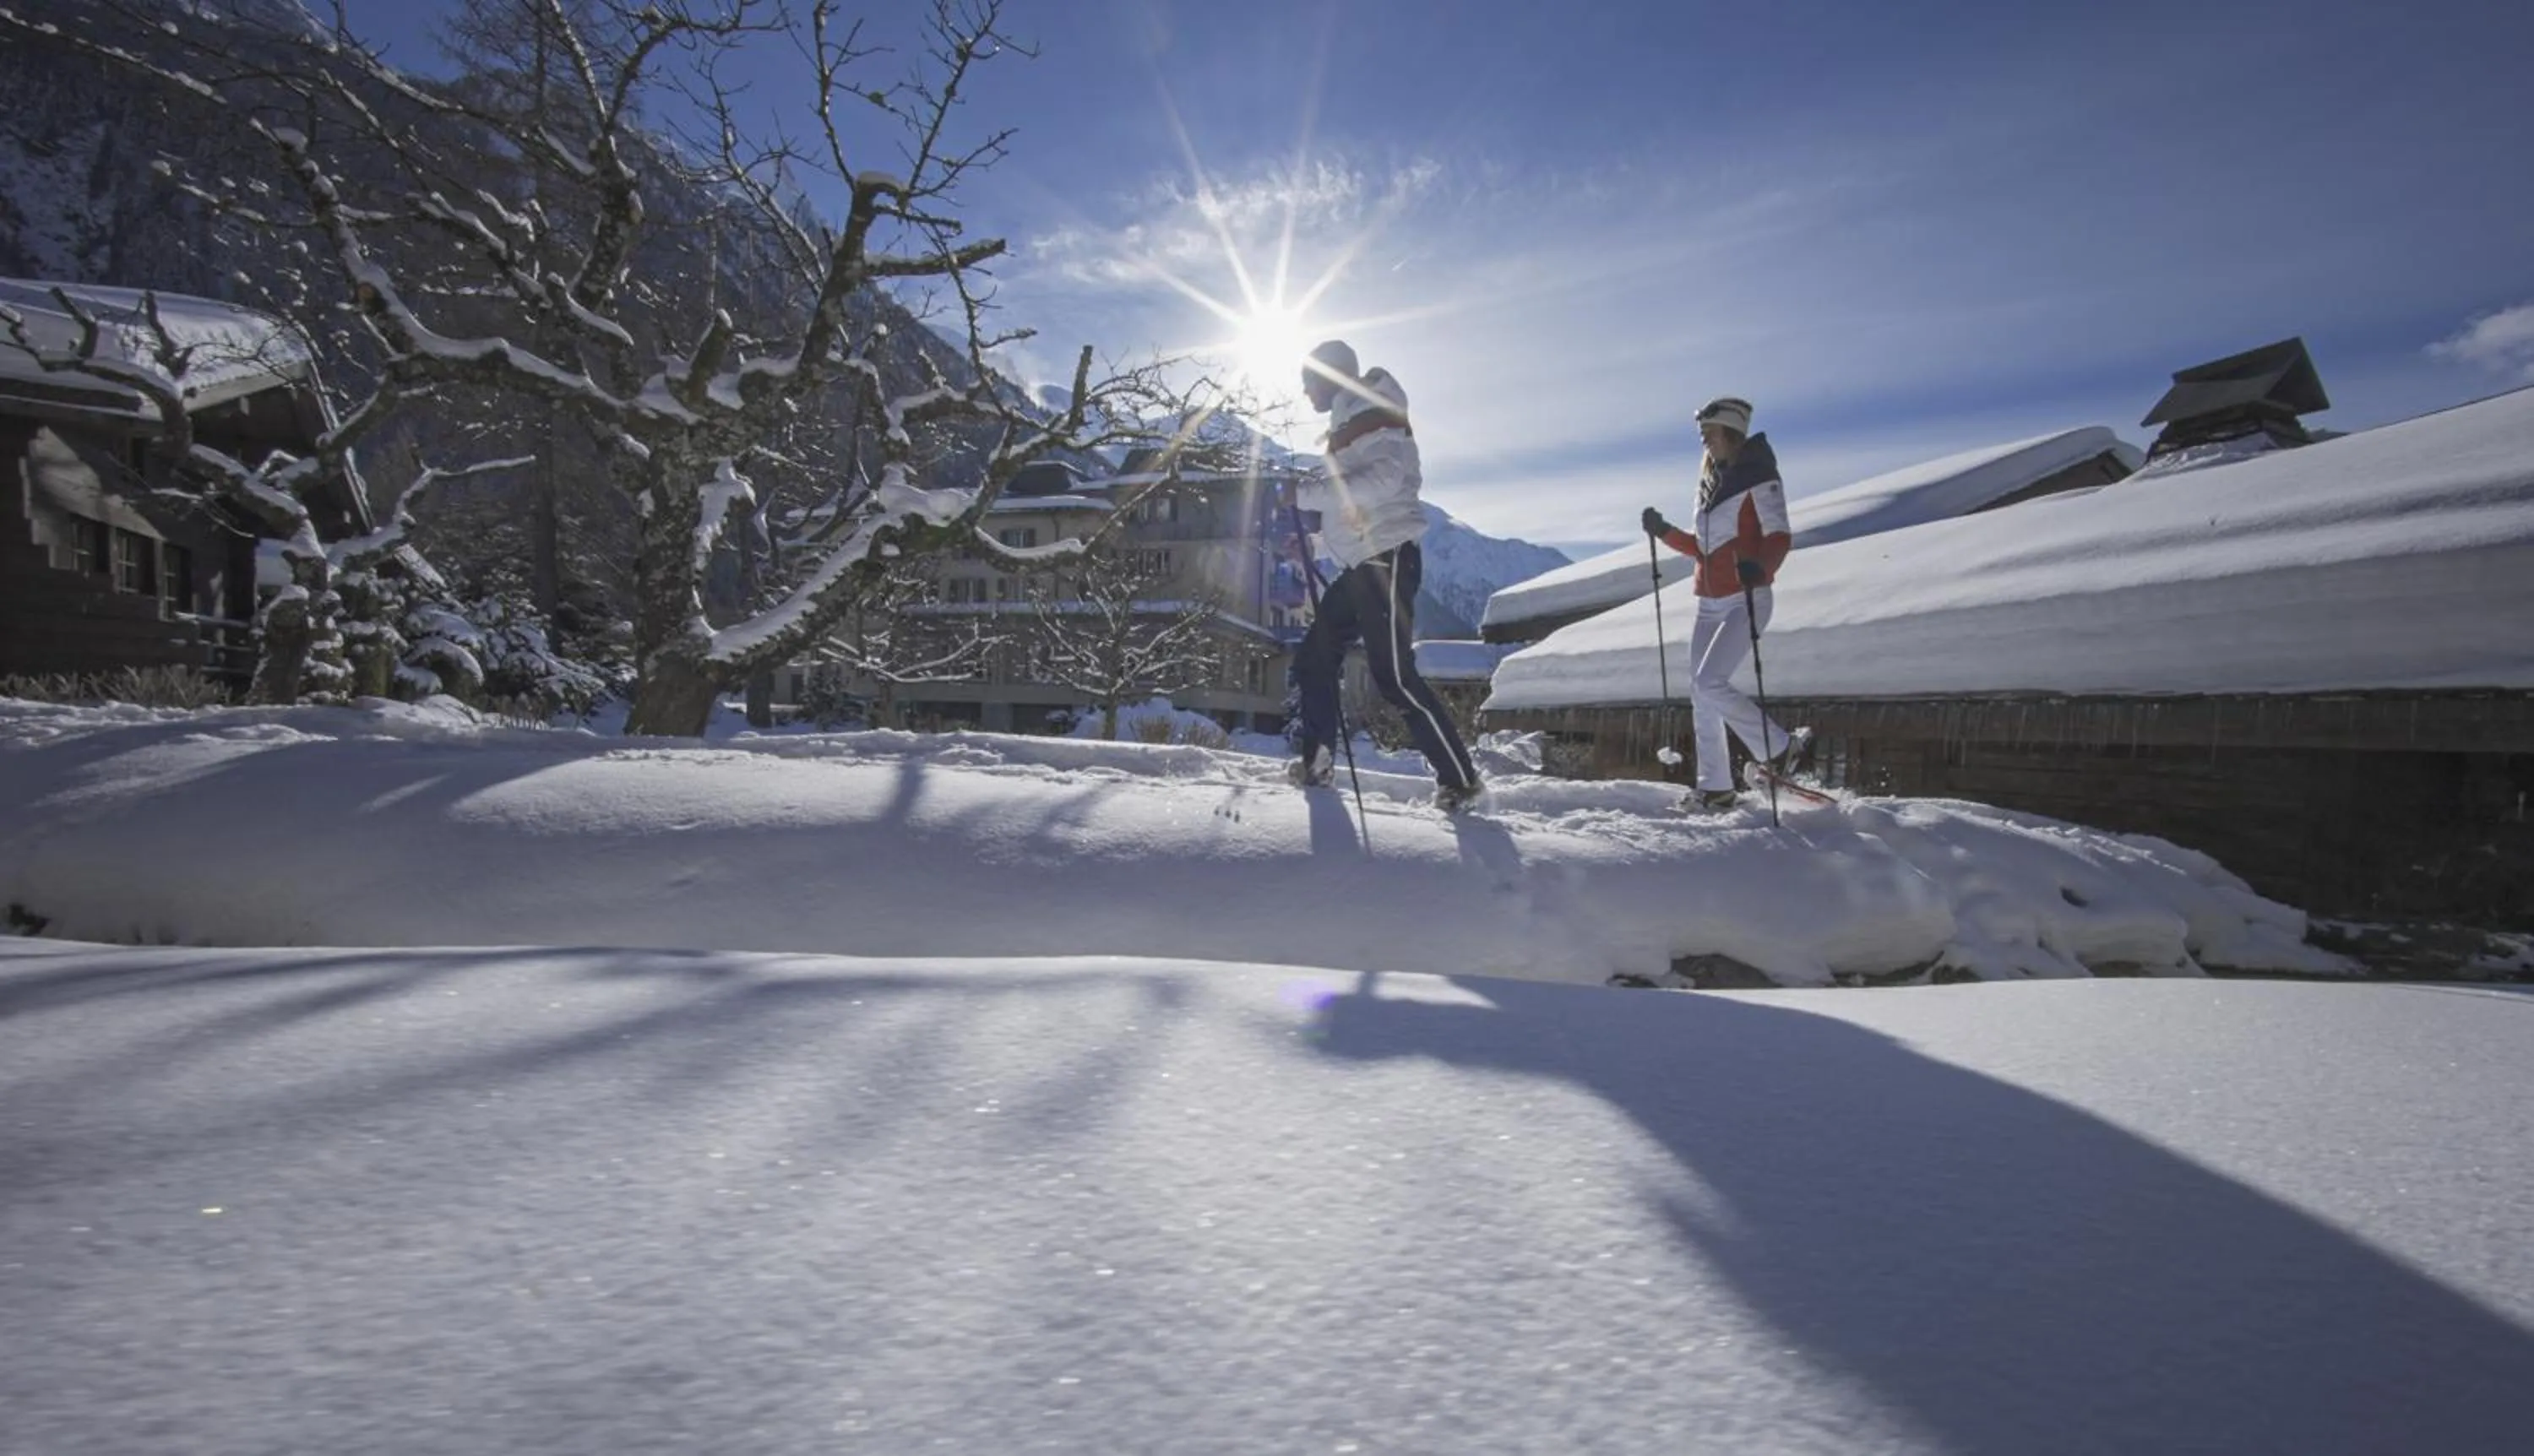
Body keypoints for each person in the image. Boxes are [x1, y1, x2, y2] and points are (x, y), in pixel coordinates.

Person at [1282, 339, 1484, 812]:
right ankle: (1317, 760)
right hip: (1361, 564)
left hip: (1388, 560)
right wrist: (1310, 541)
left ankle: (1461, 779)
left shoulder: (1375, 411)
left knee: (1392, 675)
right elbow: (1353, 508)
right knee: (1314, 659)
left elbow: (1381, 485)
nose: (1304, 391)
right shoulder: (1348, 423)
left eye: (1308, 380)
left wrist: (1304, 495)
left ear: (1330, 376)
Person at [1640, 395, 1812, 812]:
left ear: (1731, 432)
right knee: (1701, 693)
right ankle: (1715, 787)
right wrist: (1663, 531)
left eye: (1710, 435)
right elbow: (1703, 549)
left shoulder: (1759, 475)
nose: (1705, 443)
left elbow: (1779, 536)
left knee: (1709, 682)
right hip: (1708, 603)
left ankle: (1780, 746)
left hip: (1746, 597)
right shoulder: (1710, 484)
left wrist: (1762, 569)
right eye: (1702, 437)